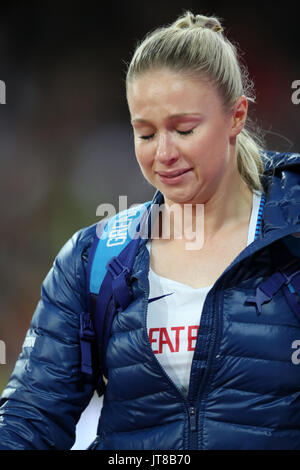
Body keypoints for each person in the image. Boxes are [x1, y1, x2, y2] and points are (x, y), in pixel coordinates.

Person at [1, 11, 300, 451]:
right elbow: (32, 416)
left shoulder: (291, 241)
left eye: (183, 129)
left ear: (237, 116)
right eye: (144, 133)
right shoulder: (94, 257)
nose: (163, 154)